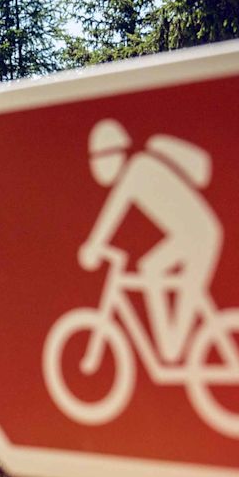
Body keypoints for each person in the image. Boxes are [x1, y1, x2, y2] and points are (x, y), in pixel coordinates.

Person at [79, 118, 223, 363]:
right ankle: (170, 340)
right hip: (189, 236)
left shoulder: (138, 169)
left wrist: (94, 245)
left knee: (160, 280)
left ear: (114, 154)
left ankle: (172, 344)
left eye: (99, 158)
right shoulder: (139, 168)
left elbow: (113, 211)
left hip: (201, 237)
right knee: (151, 267)